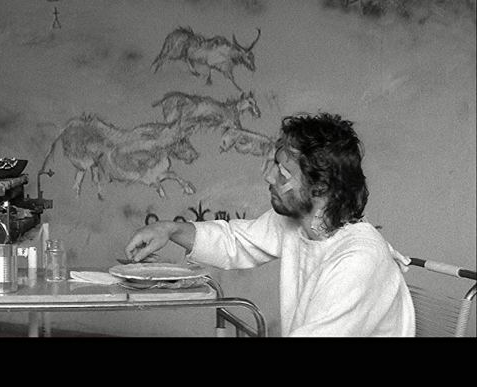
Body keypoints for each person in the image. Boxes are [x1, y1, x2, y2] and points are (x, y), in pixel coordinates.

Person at [124, 112, 415, 337]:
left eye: (283, 173)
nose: (269, 177)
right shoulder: (298, 224)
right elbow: (236, 241)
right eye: (275, 166)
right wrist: (169, 229)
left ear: (321, 186)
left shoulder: (358, 260)